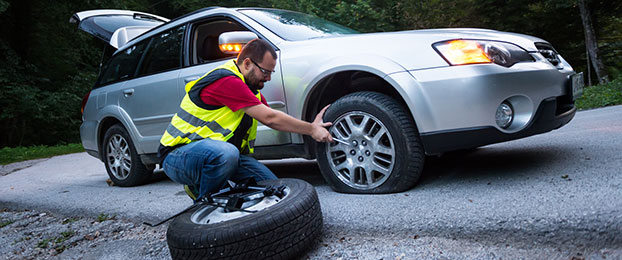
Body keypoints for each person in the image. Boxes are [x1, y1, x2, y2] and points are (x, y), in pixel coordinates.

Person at [158, 39, 333, 201]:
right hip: (178, 157)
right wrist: (311, 129)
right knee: (226, 154)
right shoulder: (226, 81)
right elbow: (270, 119)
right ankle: (205, 202)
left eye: (271, 72)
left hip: (222, 156)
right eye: (265, 71)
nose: (268, 78)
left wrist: (312, 124)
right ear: (247, 63)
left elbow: (275, 117)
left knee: (275, 190)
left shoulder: (249, 90)